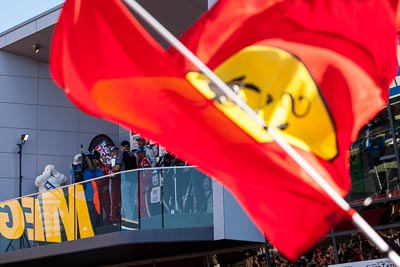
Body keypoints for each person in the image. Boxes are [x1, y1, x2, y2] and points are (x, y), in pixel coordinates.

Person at [35, 164, 68, 241]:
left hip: (55, 202)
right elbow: (37, 182)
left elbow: (64, 180)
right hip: (45, 203)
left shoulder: (57, 177)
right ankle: (48, 238)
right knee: (47, 220)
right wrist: (46, 174)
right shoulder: (42, 178)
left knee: (57, 221)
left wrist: (56, 173)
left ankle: (56, 237)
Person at [112, 140, 137, 226]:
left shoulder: (121, 154)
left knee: (126, 201)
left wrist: (111, 170)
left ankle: (129, 220)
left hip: (125, 180)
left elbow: (117, 167)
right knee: (132, 200)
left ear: (121, 147)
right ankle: (133, 218)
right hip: (134, 181)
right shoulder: (133, 154)